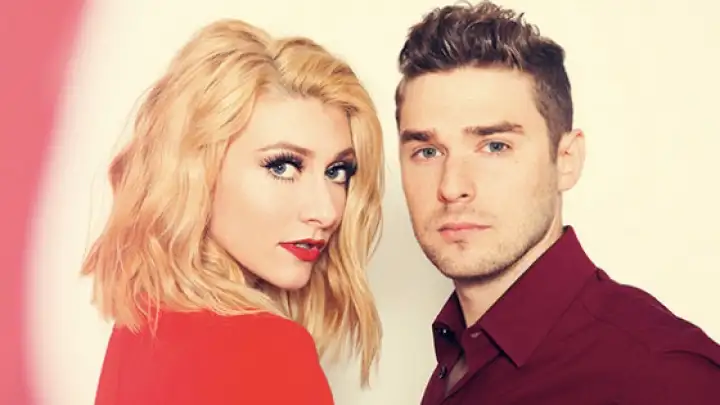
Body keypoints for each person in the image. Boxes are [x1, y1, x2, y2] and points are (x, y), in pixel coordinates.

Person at [394, 1, 720, 404]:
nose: (451, 186)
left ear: (566, 160)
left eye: (494, 146)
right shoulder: (459, 353)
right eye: (427, 151)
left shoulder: (666, 378)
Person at [80, 18, 385, 405]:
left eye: (337, 171)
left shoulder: (139, 328)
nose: (326, 212)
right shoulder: (271, 349)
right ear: (199, 169)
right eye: (282, 166)